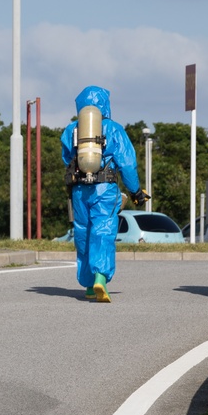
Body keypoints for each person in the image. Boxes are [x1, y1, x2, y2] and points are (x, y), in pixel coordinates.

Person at [61, 86, 149, 302]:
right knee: (103, 231)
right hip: (105, 188)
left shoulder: (72, 129)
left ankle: (89, 285)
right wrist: (136, 192)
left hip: (80, 189)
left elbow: (66, 159)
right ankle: (101, 277)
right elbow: (128, 164)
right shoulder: (114, 129)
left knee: (83, 232)